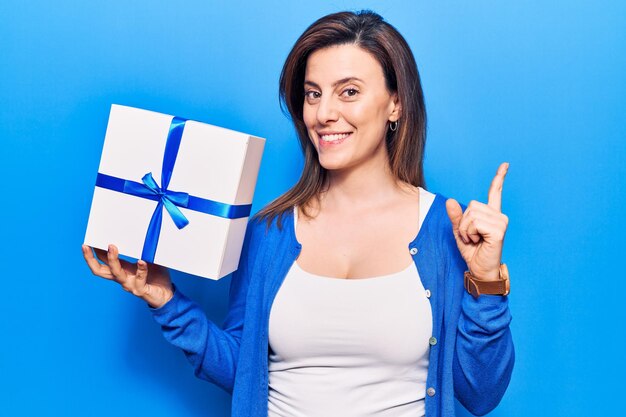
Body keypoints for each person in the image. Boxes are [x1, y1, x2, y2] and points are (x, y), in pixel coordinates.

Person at [82, 10, 514, 417]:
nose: (324, 114)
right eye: (313, 94)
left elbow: (479, 392)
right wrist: (164, 299)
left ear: (395, 104)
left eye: (349, 91)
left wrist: (488, 282)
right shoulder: (269, 233)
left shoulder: (448, 231)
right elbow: (243, 371)